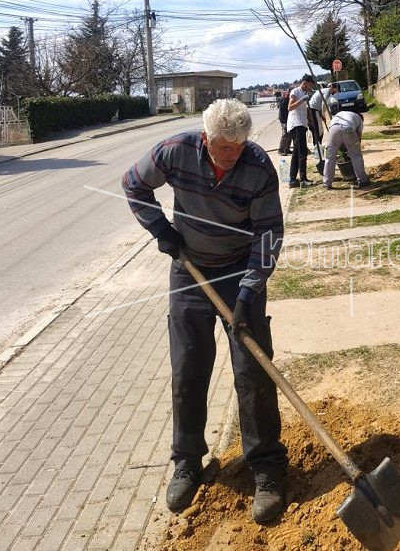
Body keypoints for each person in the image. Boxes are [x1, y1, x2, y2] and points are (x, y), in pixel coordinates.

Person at [122, 99, 288, 523]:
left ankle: (266, 468)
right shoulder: (174, 151)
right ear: (204, 137)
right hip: (191, 271)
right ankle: (187, 461)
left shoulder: (258, 167)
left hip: (239, 275)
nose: (230, 155)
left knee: (253, 372)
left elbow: (269, 230)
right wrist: (161, 229)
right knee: (188, 369)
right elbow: (133, 183)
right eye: (222, 147)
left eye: (237, 146)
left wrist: (251, 289)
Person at [322, 110, 370, 189]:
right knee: (356, 155)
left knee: (329, 157)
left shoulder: (341, 114)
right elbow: (358, 138)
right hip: (348, 128)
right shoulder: (359, 120)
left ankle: (326, 183)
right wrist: (353, 149)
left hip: (333, 129)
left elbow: (337, 133)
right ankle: (362, 180)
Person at [286, 74, 316, 188]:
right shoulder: (296, 91)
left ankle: (292, 180)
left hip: (302, 125)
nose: (310, 87)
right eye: (310, 85)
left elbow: (305, 110)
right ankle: (303, 180)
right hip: (296, 124)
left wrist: (310, 121)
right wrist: (303, 99)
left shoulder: (305, 93)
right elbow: (290, 107)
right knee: (302, 152)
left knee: (296, 153)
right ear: (305, 82)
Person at [277, 89, 291, 156]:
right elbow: (282, 106)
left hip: (289, 118)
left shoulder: (289, 99)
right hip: (284, 119)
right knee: (285, 134)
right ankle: (281, 150)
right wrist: (285, 98)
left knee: (290, 134)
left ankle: (287, 149)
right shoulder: (283, 99)